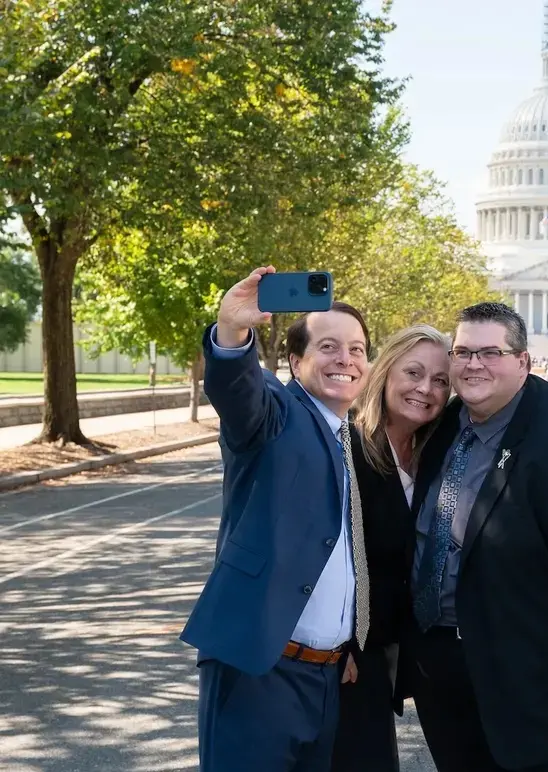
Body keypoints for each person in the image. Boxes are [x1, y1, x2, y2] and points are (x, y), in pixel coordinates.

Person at [408, 302, 548, 772]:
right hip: (443, 663)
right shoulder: (444, 424)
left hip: (531, 676)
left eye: (490, 353)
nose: (473, 365)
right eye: (463, 352)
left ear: (523, 361)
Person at [181, 266, 372, 771]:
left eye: (356, 349)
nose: (345, 359)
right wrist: (232, 330)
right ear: (295, 360)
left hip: (327, 678)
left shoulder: (353, 440)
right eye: (328, 346)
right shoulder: (276, 413)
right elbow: (237, 390)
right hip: (259, 669)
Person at [331, 325, 453, 772]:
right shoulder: (344, 444)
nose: (426, 388)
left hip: (397, 651)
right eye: (414, 373)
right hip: (347, 650)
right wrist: (340, 642)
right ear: (385, 372)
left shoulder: (440, 451)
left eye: (441, 380)